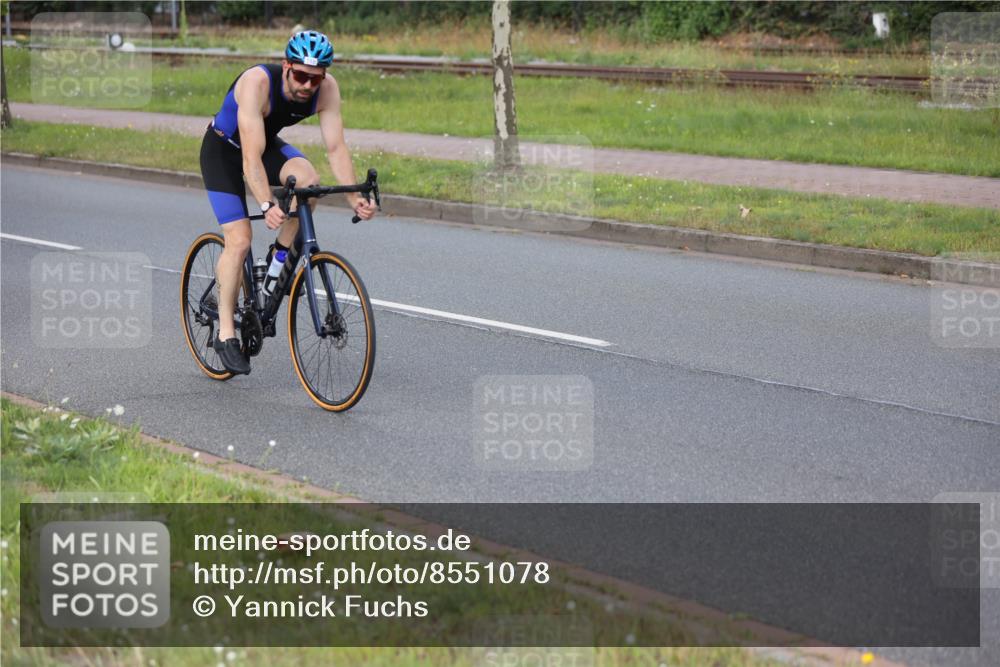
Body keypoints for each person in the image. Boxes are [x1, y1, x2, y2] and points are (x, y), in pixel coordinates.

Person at [199, 29, 377, 375]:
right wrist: (267, 203)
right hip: (225, 151)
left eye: (315, 78)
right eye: (300, 76)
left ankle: (278, 259)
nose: (308, 85)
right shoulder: (257, 83)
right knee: (239, 240)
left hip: (263, 147)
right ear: (286, 66)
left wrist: (355, 197)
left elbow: (336, 148)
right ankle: (225, 333)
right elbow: (250, 157)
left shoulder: (326, 89)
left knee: (309, 182)